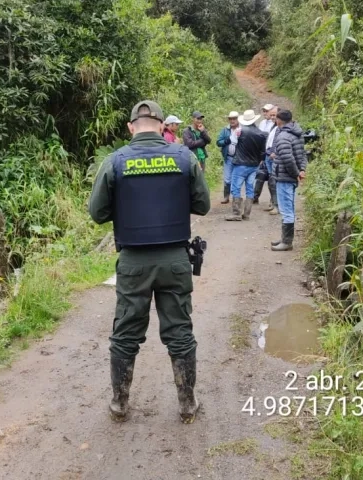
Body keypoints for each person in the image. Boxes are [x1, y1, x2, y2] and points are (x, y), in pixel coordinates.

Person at [88, 100, 211, 424]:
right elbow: (203, 205)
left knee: (126, 333)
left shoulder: (115, 162)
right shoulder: (184, 157)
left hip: (133, 264)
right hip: (174, 260)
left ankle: (119, 404)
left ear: (131, 127)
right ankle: (187, 404)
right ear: (160, 126)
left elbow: (97, 213)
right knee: (180, 332)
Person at [270, 109, 307, 251]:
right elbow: (302, 154)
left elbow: (288, 158)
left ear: (279, 120)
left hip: (285, 177)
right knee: (289, 207)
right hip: (290, 176)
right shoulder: (297, 133)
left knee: (286, 209)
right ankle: (285, 239)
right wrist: (302, 170)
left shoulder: (283, 136)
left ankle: (287, 242)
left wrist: (296, 173)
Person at [226, 109, 267, 221]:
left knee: (236, 187)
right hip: (254, 165)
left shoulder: (239, 131)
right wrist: (260, 160)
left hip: (240, 164)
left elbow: (232, 144)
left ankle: (236, 213)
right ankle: (247, 214)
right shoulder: (261, 134)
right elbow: (263, 152)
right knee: (250, 188)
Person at [254, 105, 279, 213]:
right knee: (267, 179)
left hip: (273, 156)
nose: (272, 116)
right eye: (271, 114)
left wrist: (275, 152)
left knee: (273, 180)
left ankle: (276, 205)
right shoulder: (266, 124)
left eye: (274, 114)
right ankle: (272, 203)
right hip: (266, 154)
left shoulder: (279, 127)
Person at [216, 111, 241, 204]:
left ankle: (236, 197)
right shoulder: (225, 130)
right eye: (230, 119)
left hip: (240, 158)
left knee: (238, 178)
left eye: (234, 118)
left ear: (238, 119)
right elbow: (218, 142)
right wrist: (227, 141)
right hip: (229, 157)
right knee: (227, 178)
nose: (232, 120)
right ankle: (226, 197)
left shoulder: (242, 129)